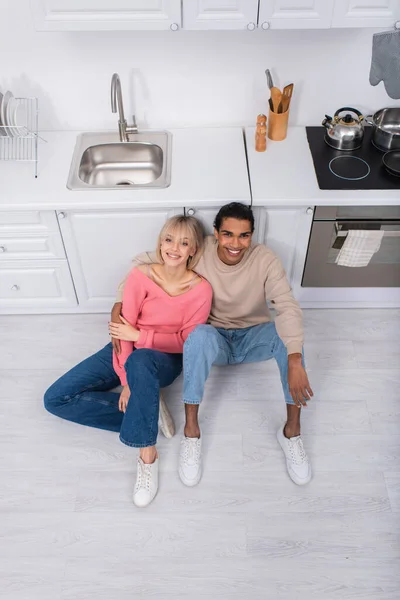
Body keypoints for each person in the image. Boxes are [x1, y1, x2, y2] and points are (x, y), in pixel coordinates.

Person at [113, 202, 314, 489]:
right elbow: (144, 263)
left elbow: (287, 307)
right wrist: (117, 307)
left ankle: (292, 432)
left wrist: (294, 358)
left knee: (289, 338)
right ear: (216, 234)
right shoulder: (198, 249)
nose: (235, 243)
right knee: (199, 335)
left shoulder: (265, 259)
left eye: (243, 236)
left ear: (252, 236)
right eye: (228, 234)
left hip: (252, 335)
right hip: (214, 340)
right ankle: (191, 432)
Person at [44, 215, 212, 507]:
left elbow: (186, 342)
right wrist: (127, 383)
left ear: (193, 250)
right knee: (55, 399)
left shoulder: (201, 290)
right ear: (160, 243)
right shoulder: (141, 275)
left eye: (184, 243)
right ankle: (147, 414)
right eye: (169, 240)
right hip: (125, 349)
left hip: (165, 360)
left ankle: (148, 456)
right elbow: (123, 330)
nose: (174, 248)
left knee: (142, 360)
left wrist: (141, 336)